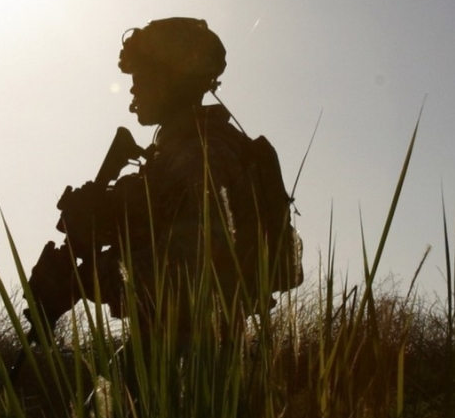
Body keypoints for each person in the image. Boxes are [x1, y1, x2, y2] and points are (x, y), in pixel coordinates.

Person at [26, 17, 302, 340]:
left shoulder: (201, 153)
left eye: (142, 75)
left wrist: (84, 280)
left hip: (200, 360)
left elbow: (191, 272)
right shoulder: (176, 153)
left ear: (173, 78)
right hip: (175, 348)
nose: (133, 87)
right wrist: (106, 217)